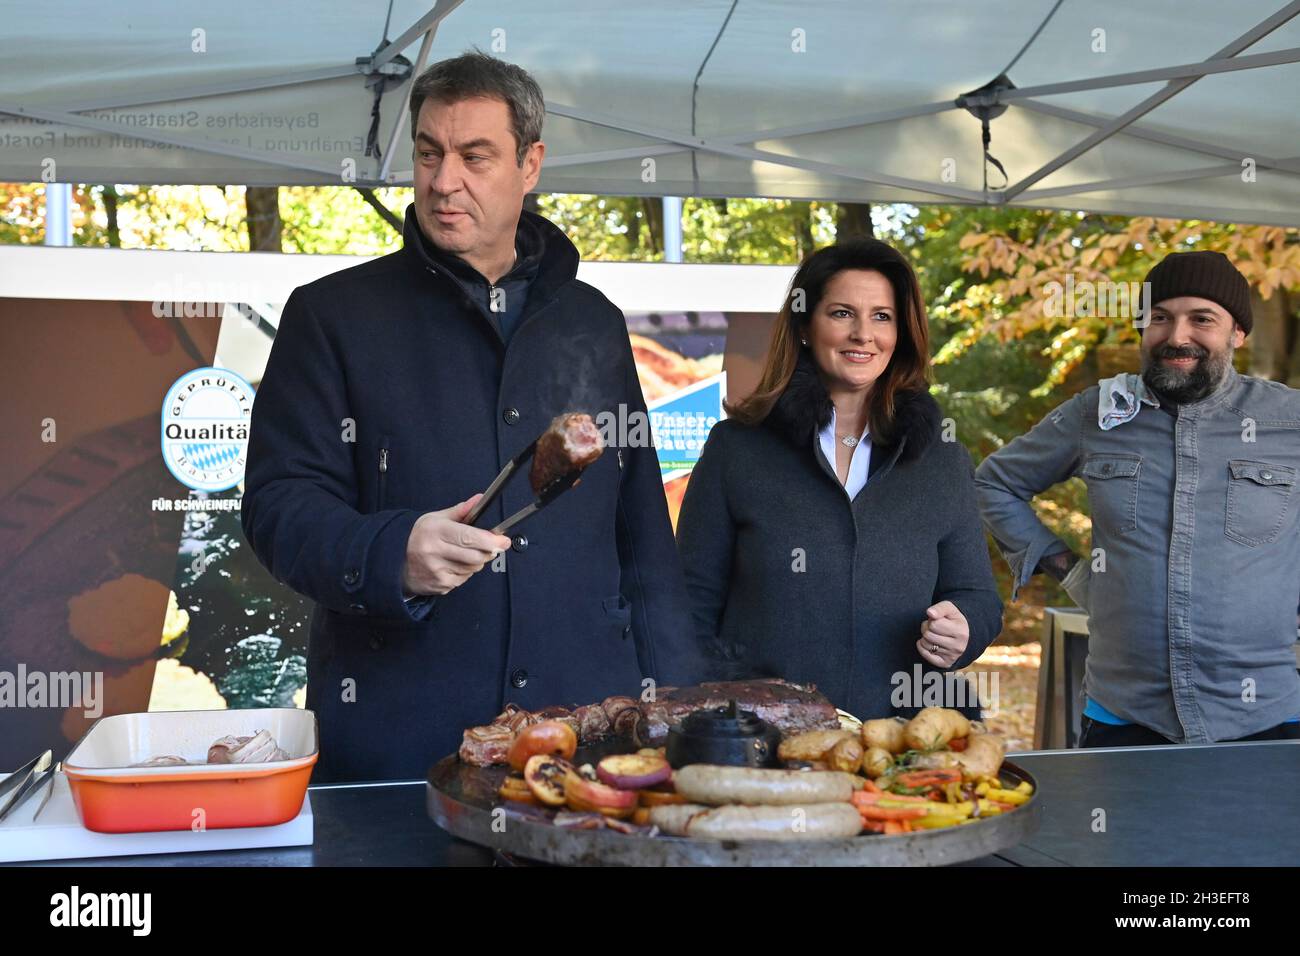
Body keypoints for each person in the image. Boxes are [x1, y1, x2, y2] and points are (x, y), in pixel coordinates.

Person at [241, 51, 701, 781]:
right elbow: (277, 508)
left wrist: (678, 711)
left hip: (582, 746)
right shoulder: (331, 317)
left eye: (474, 156)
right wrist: (392, 552)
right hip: (398, 746)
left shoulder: (594, 325)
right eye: (429, 153)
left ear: (530, 164)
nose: (443, 180)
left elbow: (643, 540)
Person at [975, 250, 1300, 747]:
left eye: (1202, 319)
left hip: (1265, 717)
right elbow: (994, 483)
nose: (1177, 336)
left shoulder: (1288, 420)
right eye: (1160, 318)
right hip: (1123, 717)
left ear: (1237, 333)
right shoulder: (1096, 414)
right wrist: (1072, 572)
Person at [675, 239, 1003, 720]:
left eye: (882, 317)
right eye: (843, 313)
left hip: (901, 744)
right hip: (764, 741)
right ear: (806, 327)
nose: (863, 335)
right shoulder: (737, 449)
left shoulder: (942, 459)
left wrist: (965, 629)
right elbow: (691, 602)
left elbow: (978, 597)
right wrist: (710, 717)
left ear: (902, 334)